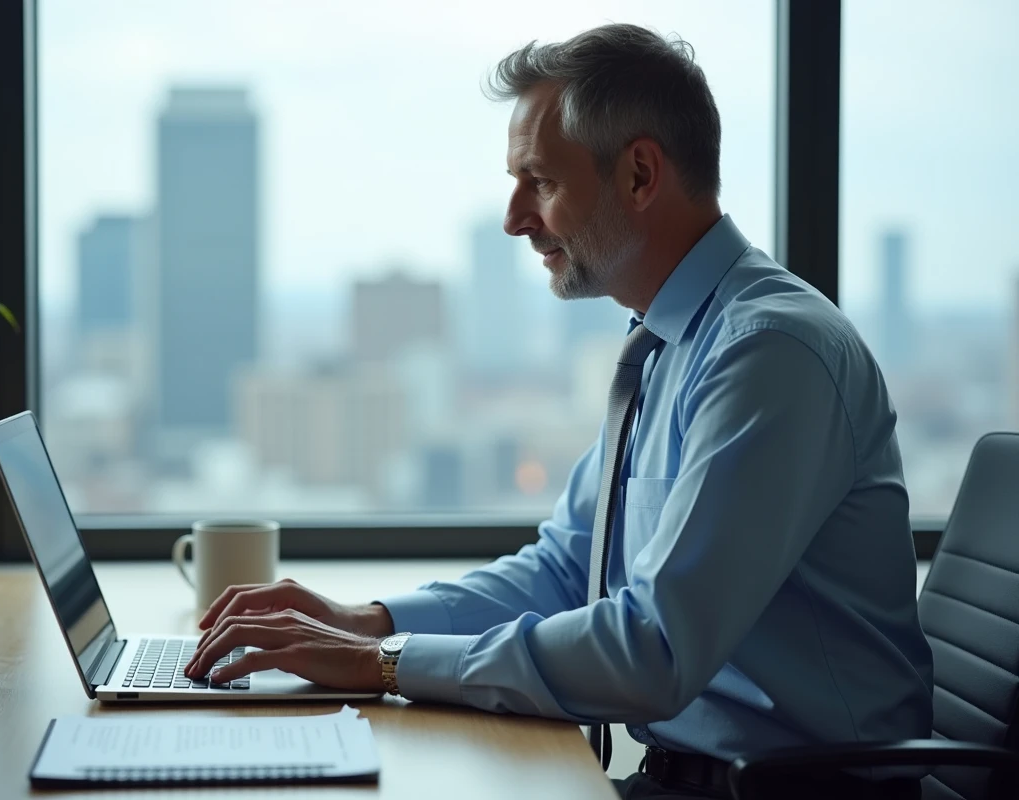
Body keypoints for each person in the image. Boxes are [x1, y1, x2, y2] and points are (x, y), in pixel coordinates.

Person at [184, 23, 933, 800]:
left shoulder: (767, 354)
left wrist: (386, 665)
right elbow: (569, 570)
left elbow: (653, 648)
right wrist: (367, 622)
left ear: (639, 174)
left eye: (539, 181)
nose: (515, 217)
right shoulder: (667, 346)